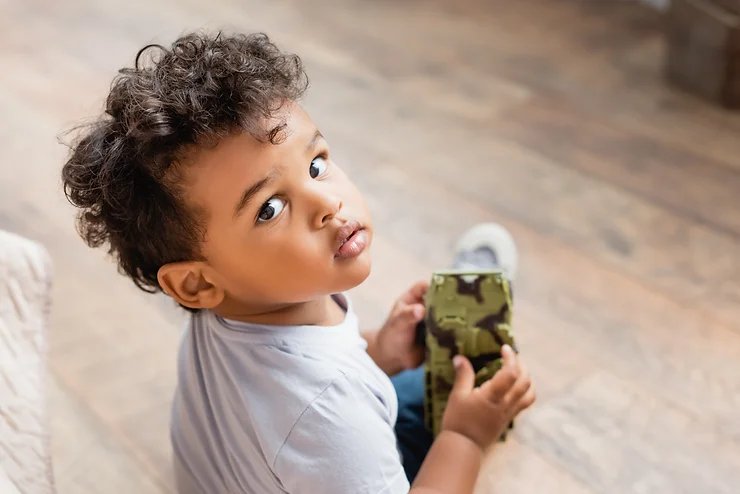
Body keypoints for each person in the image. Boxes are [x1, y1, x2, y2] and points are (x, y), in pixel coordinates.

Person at [61, 31, 535, 494]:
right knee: (458, 395)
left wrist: (379, 352)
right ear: (196, 284)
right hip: (330, 452)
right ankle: (475, 297)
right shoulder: (331, 417)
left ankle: (456, 314)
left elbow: (299, 389)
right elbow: (320, 412)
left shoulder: (226, 306)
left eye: (316, 164)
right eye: (269, 208)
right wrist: (465, 438)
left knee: (410, 374)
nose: (327, 201)